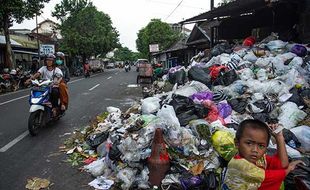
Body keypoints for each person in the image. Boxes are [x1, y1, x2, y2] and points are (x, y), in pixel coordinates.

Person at [222, 119, 304, 190]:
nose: (255, 150)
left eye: (261, 146)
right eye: (249, 143)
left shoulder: (258, 158)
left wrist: (279, 137)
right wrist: (289, 168)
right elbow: (272, 177)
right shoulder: (240, 164)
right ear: (237, 143)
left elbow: (282, 165)